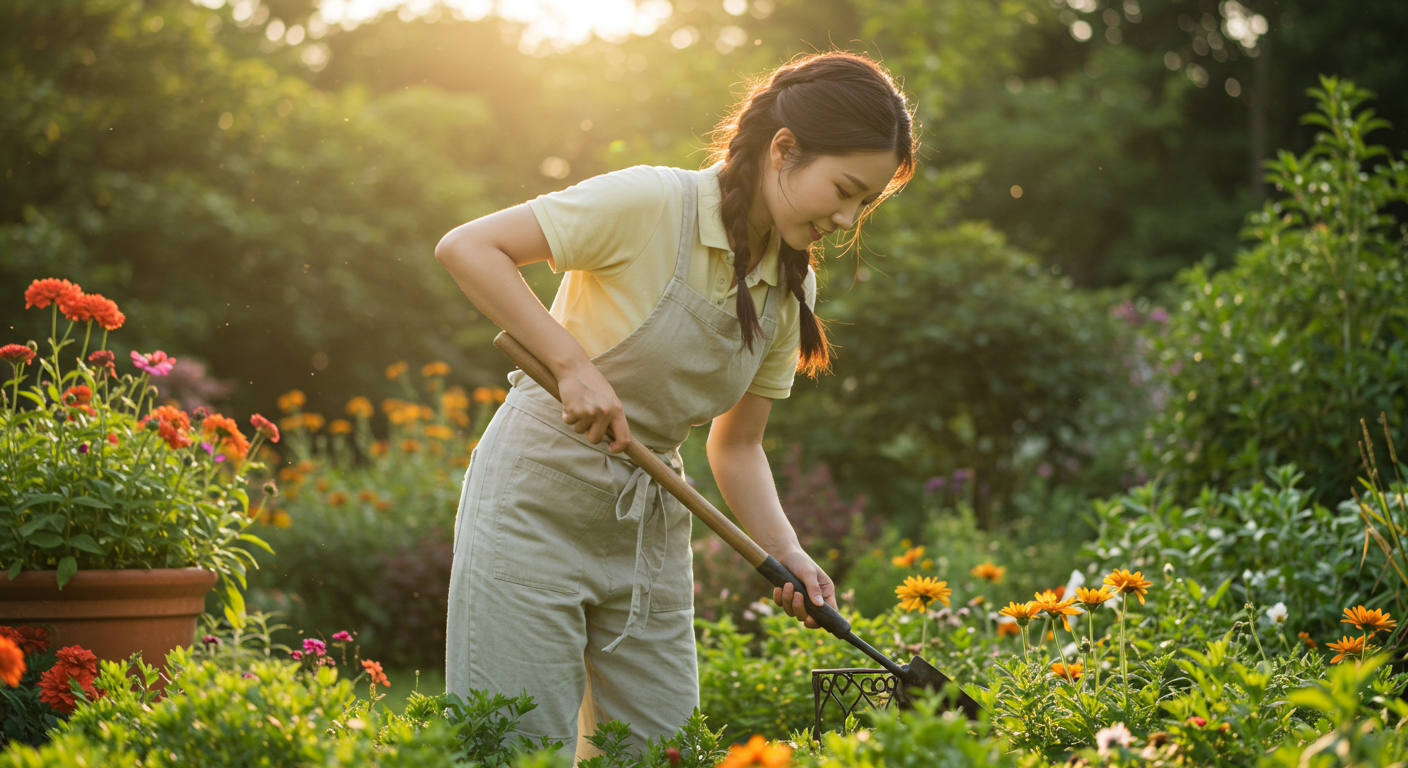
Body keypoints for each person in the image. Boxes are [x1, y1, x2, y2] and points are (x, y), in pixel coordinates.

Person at [435, 50, 917, 759]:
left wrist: (787, 552)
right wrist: (570, 366)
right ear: (784, 149)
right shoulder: (652, 203)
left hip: (649, 526)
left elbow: (738, 445)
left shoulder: (790, 290)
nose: (846, 219)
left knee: (665, 751)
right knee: (512, 746)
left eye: (862, 203)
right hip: (533, 503)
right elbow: (469, 247)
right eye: (844, 189)